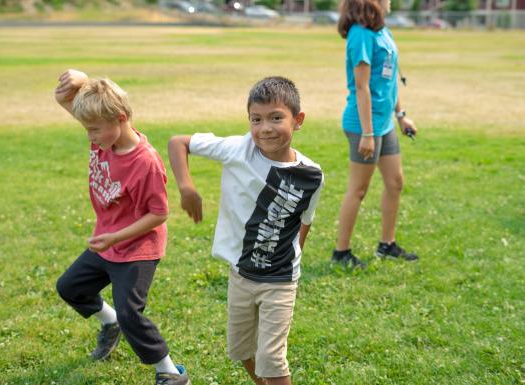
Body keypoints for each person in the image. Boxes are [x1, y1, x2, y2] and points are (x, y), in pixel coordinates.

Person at [168, 77, 324, 385]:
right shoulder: (237, 149)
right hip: (241, 274)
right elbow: (178, 142)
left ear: (298, 120)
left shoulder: (311, 175)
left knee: (271, 358)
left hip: (279, 280)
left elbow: (305, 221)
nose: (265, 128)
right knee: (241, 350)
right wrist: (187, 188)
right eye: (257, 119)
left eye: (276, 118)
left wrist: (293, 259)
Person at [54, 69, 191, 385]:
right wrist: (80, 78)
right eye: (88, 129)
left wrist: (115, 236)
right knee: (70, 287)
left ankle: (169, 372)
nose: (90, 137)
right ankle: (110, 322)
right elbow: (65, 98)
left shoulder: (145, 163)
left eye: (94, 130)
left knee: (132, 312)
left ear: (119, 118)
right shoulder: (103, 134)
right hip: (108, 241)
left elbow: (159, 214)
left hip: (137, 248)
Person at [332, 0, 419, 267]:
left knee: (395, 183)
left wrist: (401, 116)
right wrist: (368, 133)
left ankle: (387, 245)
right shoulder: (360, 35)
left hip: (384, 124)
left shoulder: (383, 31)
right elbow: (362, 87)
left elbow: (388, 80)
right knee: (358, 190)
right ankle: (341, 253)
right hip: (363, 126)